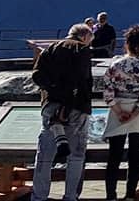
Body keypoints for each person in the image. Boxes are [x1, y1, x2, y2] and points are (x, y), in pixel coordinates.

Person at [30, 24, 94, 201]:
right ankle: (70, 196)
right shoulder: (81, 49)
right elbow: (80, 78)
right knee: (76, 154)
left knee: (44, 154)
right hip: (76, 106)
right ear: (84, 36)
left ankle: (39, 196)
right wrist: (66, 102)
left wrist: (52, 90)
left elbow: (36, 75)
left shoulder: (50, 48)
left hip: (50, 104)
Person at [102, 25, 139, 201]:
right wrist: (134, 114)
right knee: (135, 154)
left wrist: (118, 111)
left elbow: (108, 90)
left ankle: (111, 195)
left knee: (114, 155)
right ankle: (130, 194)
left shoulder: (115, 65)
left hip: (119, 108)